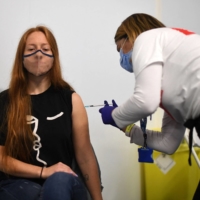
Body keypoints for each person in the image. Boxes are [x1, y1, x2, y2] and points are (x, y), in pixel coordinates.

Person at [99, 13, 200, 199]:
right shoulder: (173, 83)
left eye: (120, 49)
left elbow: (145, 101)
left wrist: (114, 115)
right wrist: (127, 128)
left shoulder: (147, 37)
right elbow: (168, 143)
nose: (122, 57)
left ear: (130, 35)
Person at [0, 26, 103, 200]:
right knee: (31, 192)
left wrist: (97, 198)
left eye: (45, 49)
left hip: (63, 183)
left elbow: (85, 156)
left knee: (59, 181)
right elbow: (1, 159)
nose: (39, 54)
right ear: (21, 58)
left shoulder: (71, 100)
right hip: (17, 186)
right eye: (31, 49)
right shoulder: (4, 101)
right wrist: (43, 172)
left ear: (54, 56)